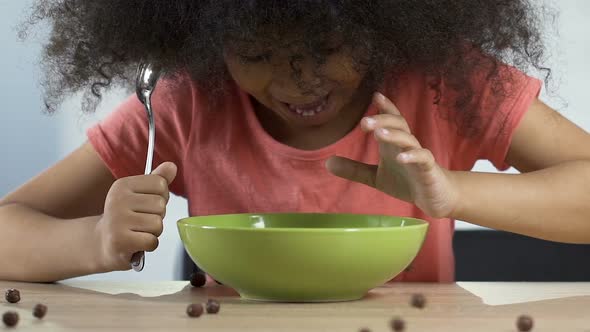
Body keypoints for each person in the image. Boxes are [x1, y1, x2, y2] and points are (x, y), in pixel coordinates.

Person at [1, 1, 589, 283]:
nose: (296, 82)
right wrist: (96, 242)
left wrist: (450, 192)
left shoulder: (439, 81)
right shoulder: (188, 103)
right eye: (257, 57)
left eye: (327, 49)